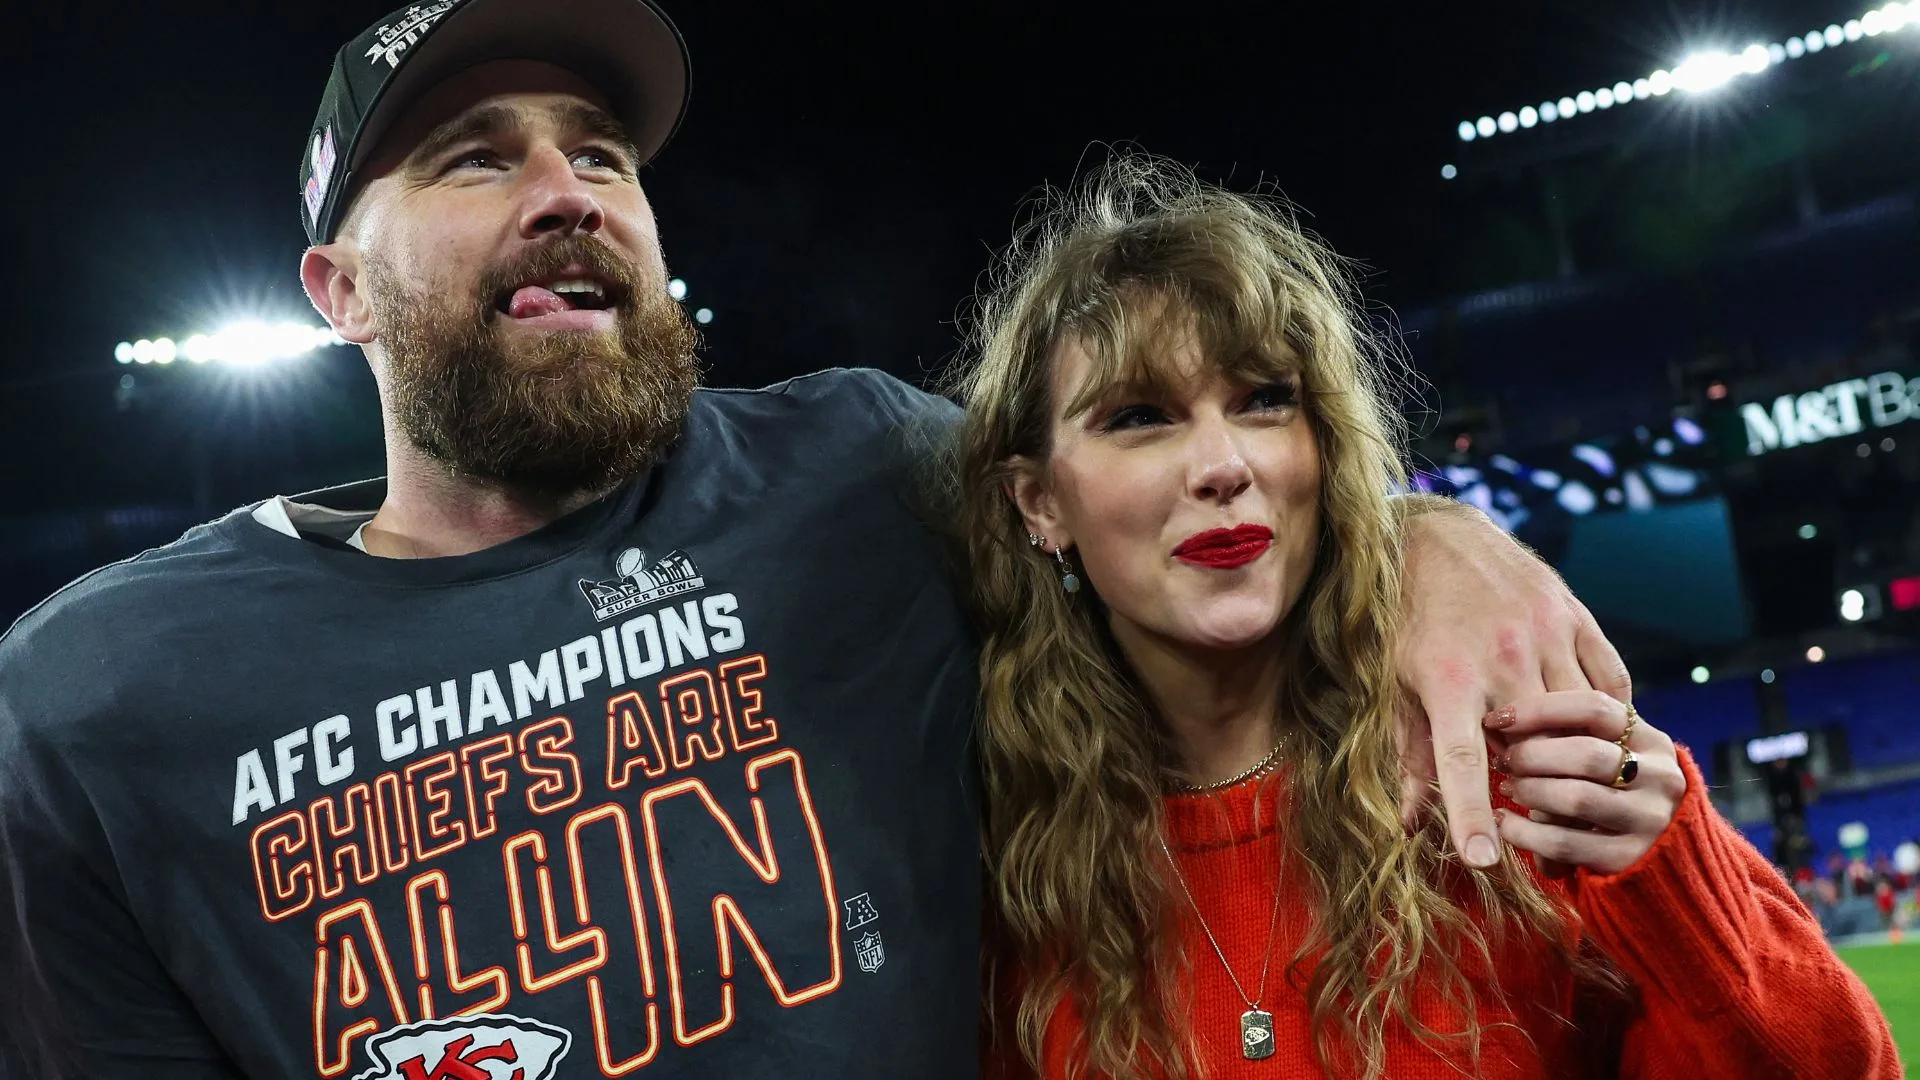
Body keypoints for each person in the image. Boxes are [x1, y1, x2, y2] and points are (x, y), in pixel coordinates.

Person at [0, 2, 1631, 1077]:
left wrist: (1429, 540)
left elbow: (1165, 490)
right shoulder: (102, 699)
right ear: (337, 293)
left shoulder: (863, 471)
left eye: (602, 151)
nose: (567, 187)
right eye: (476, 157)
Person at [951, 155, 1899, 1079]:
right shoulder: (987, 865)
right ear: (1038, 502)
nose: (1222, 465)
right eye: (1138, 416)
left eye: (1265, 400)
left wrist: (1678, 889)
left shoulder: (1501, 766)